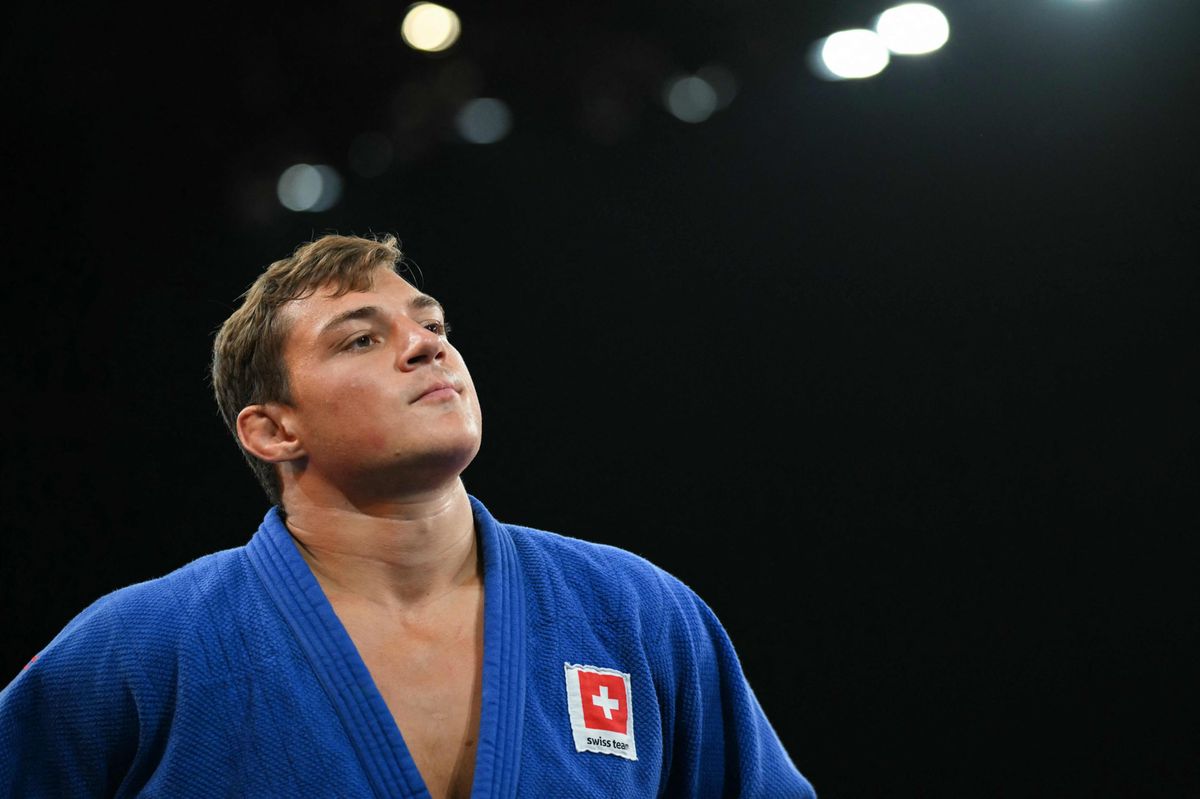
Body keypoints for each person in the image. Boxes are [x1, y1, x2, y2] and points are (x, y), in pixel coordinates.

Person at [0, 234, 815, 798]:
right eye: (360, 339)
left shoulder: (636, 613)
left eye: (432, 325)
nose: (429, 346)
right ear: (274, 428)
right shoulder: (134, 652)